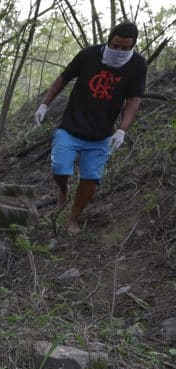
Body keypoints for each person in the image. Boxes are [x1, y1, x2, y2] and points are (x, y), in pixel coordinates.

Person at [34, 21, 146, 235]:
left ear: (132, 46)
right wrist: (44, 104)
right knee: (60, 168)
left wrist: (122, 130)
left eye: (125, 48)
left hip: (101, 134)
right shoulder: (89, 55)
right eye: (115, 46)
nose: (119, 51)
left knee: (90, 180)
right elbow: (64, 77)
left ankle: (73, 219)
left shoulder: (137, 65)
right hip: (71, 126)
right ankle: (63, 190)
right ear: (108, 41)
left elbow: (134, 99)